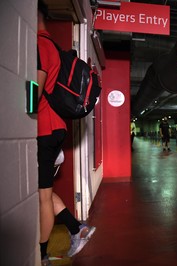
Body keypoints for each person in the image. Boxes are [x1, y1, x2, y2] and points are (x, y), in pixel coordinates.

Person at [37, 2, 95, 265]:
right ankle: (76, 228)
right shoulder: (55, 49)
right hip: (56, 127)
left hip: (43, 130)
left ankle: (41, 255)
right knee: (44, 191)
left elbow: (34, 92)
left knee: (42, 196)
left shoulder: (39, 44)